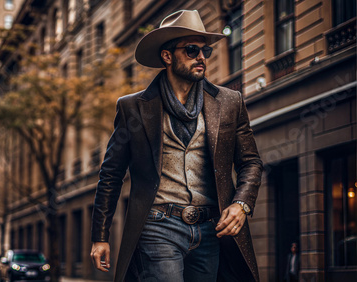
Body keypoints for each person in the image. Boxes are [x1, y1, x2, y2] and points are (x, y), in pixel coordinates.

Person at [90, 10, 263, 282]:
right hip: (158, 226)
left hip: (210, 229)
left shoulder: (230, 102)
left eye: (205, 50)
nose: (201, 58)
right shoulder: (133, 108)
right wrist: (101, 236)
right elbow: (110, 175)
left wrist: (241, 204)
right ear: (167, 56)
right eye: (192, 50)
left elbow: (251, 162)